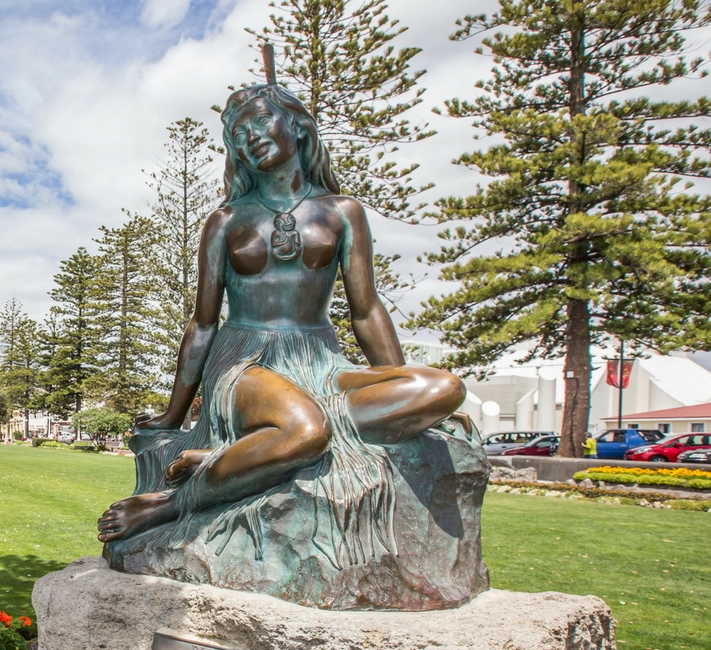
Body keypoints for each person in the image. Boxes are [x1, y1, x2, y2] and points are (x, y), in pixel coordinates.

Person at [95, 83, 466, 562]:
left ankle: (246, 455)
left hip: (320, 363)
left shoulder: (342, 212)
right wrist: (174, 414)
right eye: (237, 134)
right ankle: (172, 502)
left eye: (259, 122)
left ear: (296, 124)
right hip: (246, 361)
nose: (249, 138)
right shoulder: (225, 220)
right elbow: (203, 324)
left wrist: (389, 383)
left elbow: (366, 310)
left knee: (442, 388)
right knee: (308, 430)